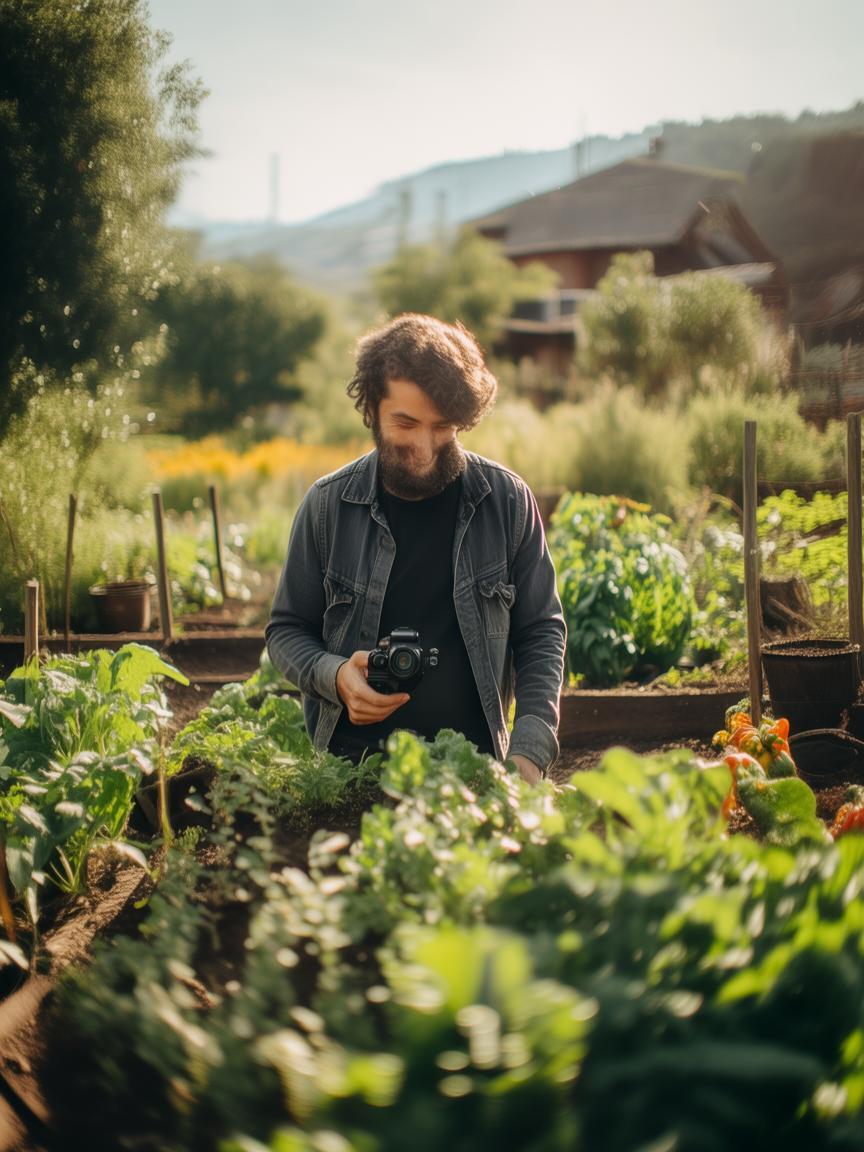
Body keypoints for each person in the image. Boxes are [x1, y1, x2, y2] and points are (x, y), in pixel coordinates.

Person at [265, 313, 566, 784]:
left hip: (476, 778)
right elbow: (286, 630)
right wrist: (335, 675)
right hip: (351, 776)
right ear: (372, 410)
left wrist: (529, 750)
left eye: (443, 427)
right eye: (406, 423)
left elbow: (541, 632)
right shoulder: (326, 506)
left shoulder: (508, 502)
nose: (425, 449)